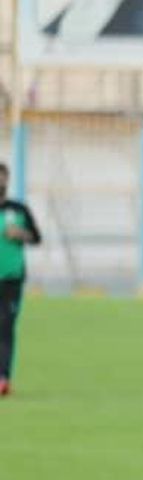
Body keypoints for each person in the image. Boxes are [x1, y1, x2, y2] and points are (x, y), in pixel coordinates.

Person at [0, 161, 42, 397]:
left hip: (11, 280)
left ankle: (3, 378)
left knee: (5, 329)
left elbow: (37, 237)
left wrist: (21, 234)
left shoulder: (18, 210)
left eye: (3, 177)